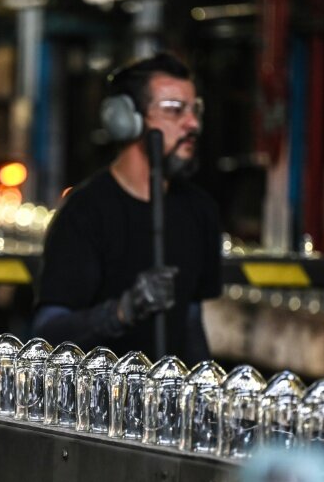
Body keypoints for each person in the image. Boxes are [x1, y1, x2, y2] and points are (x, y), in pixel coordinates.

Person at [33, 52, 222, 365]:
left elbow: (190, 321)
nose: (193, 124)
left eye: (195, 110)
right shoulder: (86, 212)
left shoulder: (200, 211)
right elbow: (48, 335)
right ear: (126, 121)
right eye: (174, 110)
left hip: (164, 407)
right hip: (96, 406)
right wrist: (123, 310)